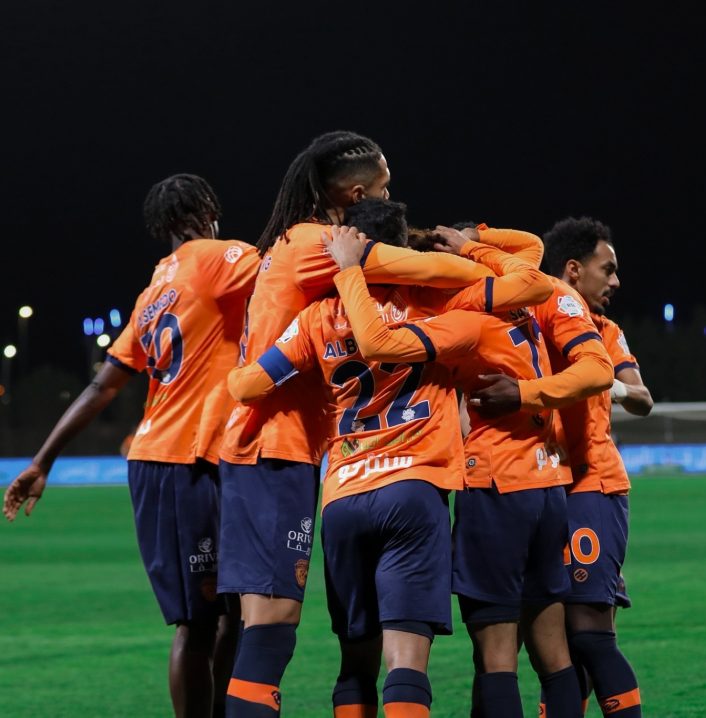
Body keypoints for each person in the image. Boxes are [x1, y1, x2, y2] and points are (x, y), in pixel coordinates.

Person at [227, 200, 553, 717]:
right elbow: (532, 277)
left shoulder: (317, 316)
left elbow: (247, 386)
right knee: (406, 662)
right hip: (413, 491)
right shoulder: (443, 303)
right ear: (401, 250)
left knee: (355, 663)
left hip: (344, 498)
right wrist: (473, 244)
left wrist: (248, 359)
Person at [3, 173, 259, 718]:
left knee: (231, 610)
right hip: (180, 460)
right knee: (200, 619)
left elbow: (102, 386)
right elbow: (288, 270)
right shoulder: (219, 256)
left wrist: (43, 461)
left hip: (194, 457)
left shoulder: (153, 293)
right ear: (205, 213)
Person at [409, 225, 615, 718]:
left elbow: (382, 344)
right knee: (554, 655)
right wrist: (477, 237)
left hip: (495, 483)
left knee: (496, 658)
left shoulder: (459, 313)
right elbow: (530, 249)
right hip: (548, 486)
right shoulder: (530, 299)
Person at [539, 217, 653, 717]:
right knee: (555, 648)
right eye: (607, 269)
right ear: (573, 269)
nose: (616, 281)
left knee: (589, 633)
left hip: (592, 487)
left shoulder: (605, 332)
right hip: (539, 489)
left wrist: (606, 380)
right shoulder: (531, 324)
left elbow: (643, 399)